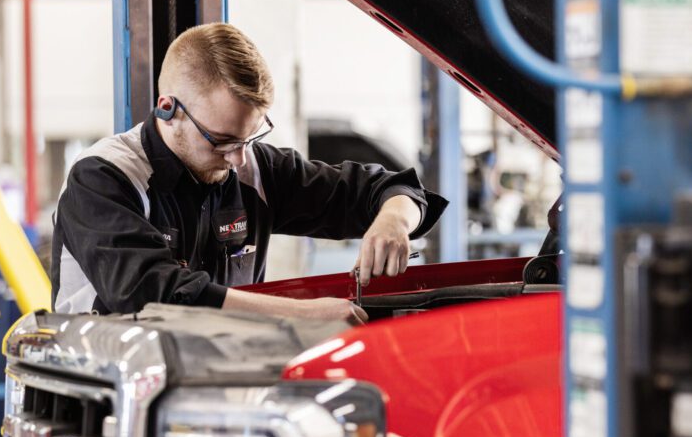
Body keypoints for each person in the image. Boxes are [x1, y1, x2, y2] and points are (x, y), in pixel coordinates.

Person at [50, 22, 446, 323]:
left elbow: (392, 189)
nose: (239, 158)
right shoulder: (105, 178)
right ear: (167, 109)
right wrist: (304, 315)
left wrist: (394, 220)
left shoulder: (255, 171)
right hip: (107, 410)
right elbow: (152, 294)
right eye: (221, 141)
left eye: (249, 139)